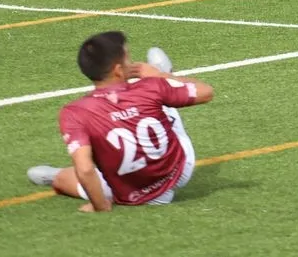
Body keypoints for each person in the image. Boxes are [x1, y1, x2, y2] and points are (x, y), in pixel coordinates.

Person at [26, 32, 214, 211]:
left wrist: (100, 206)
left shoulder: (75, 111)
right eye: (128, 58)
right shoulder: (150, 86)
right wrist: (159, 76)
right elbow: (206, 91)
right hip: (179, 171)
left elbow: (84, 169)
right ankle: (167, 73)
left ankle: (55, 177)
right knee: (163, 97)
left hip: (125, 189)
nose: (132, 62)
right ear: (118, 70)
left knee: (66, 180)